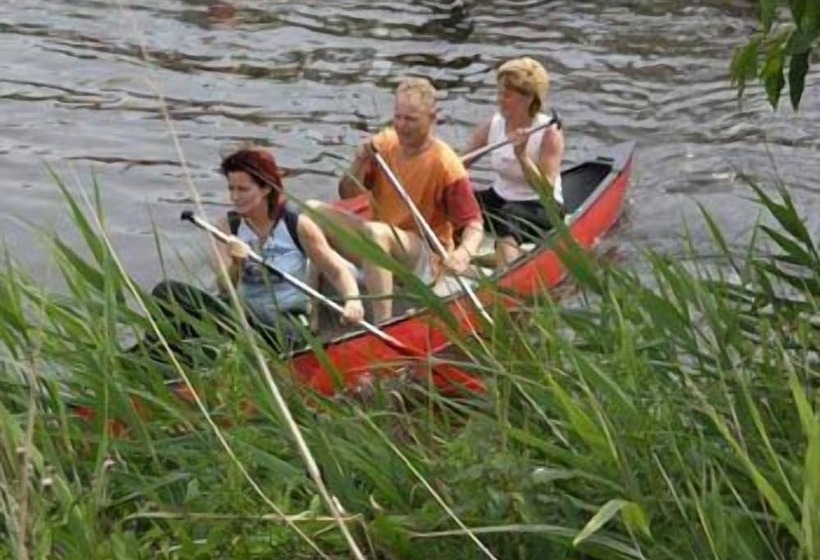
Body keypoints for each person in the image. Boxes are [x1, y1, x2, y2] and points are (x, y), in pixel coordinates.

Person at [148, 146, 364, 358]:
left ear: (266, 189)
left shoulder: (297, 225)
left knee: (243, 323)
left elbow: (337, 271)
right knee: (167, 292)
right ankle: (158, 355)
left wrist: (352, 301)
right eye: (231, 189)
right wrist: (237, 264)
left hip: (286, 324)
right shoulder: (228, 227)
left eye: (243, 190)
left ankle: (205, 351)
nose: (234, 197)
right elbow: (225, 288)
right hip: (244, 317)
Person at [313, 77, 484, 324]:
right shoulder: (385, 144)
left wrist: (463, 253)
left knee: (376, 233)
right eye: (398, 117)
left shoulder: (445, 163)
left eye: (411, 119)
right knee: (313, 213)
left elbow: (473, 223)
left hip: (424, 255)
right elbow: (347, 194)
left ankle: (383, 322)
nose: (402, 126)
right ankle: (317, 311)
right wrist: (360, 161)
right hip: (381, 239)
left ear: (432, 118)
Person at [462, 57, 565, 266]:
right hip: (500, 197)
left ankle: (506, 271)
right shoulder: (495, 124)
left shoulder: (549, 133)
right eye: (499, 93)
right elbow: (461, 163)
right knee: (458, 201)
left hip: (539, 205)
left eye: (507, 95)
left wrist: (521, 154)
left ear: (528, 98)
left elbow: (546, 189)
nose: (500, 100)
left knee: (509, 218)